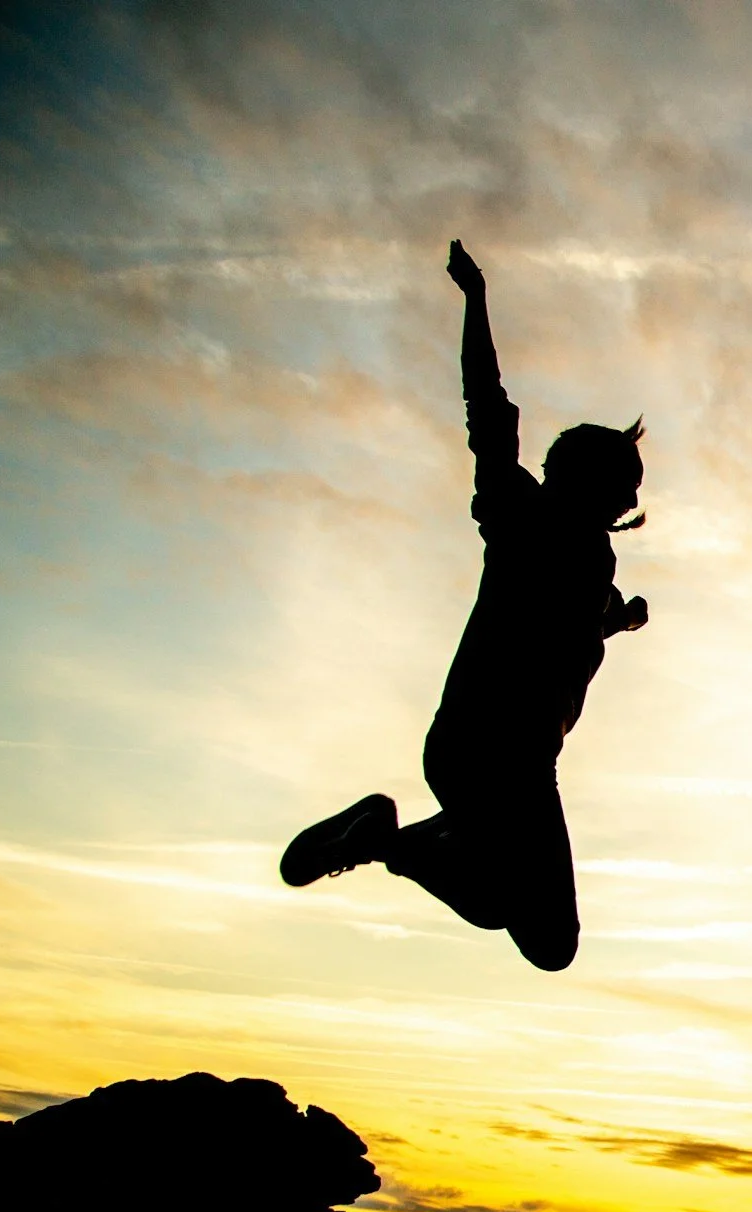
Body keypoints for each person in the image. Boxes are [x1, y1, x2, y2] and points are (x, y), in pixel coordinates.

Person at [278, 240, 648, 972]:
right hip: (504, 761)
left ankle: (391, 838)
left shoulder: (585, 560)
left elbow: (564, 631)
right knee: (550, 940)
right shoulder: (522, 513)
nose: (636, 499)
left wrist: (621, 619)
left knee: (500, 906)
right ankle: (388, 839)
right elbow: (488, 405)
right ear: (588, 479)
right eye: (628, 482)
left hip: (469, 754)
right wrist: (475, 300)